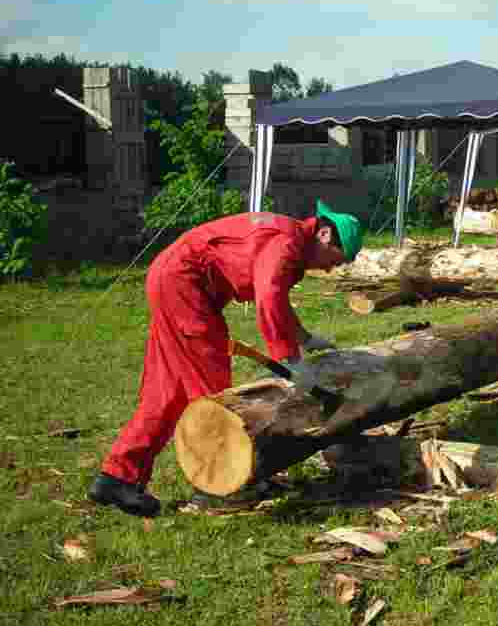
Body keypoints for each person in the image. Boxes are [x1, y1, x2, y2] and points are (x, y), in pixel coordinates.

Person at [88, 201, 363, 517]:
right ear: (325, 234)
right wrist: (289, 358)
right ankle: (218, 487)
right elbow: (269, 297)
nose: (330, 269)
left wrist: (303, 338)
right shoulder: (287, 242)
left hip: (177, 281)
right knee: (215, 394)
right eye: (335, 261)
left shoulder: (292, 241)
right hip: (184, 285)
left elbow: (277, 300)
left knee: (168, 392)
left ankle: (117, 477)